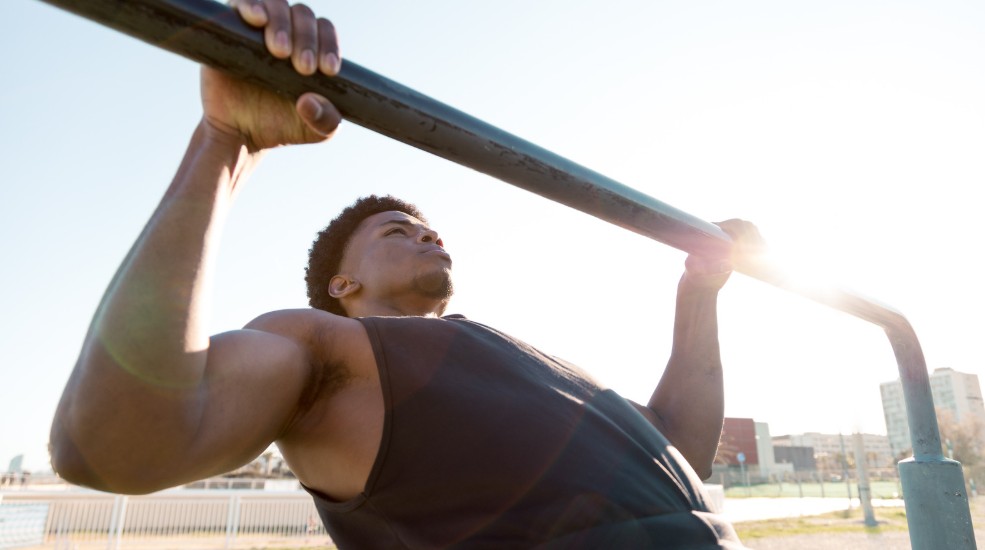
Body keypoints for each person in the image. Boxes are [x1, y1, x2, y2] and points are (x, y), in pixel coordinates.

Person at [48, 1, 761, 547]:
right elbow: (111, 448)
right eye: (396, 231)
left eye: (428, 228)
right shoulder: (320, 346)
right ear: (341, 285)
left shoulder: (531, 361)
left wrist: (698, 293)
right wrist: (225, 144)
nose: (425, 233)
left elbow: (682, 449)